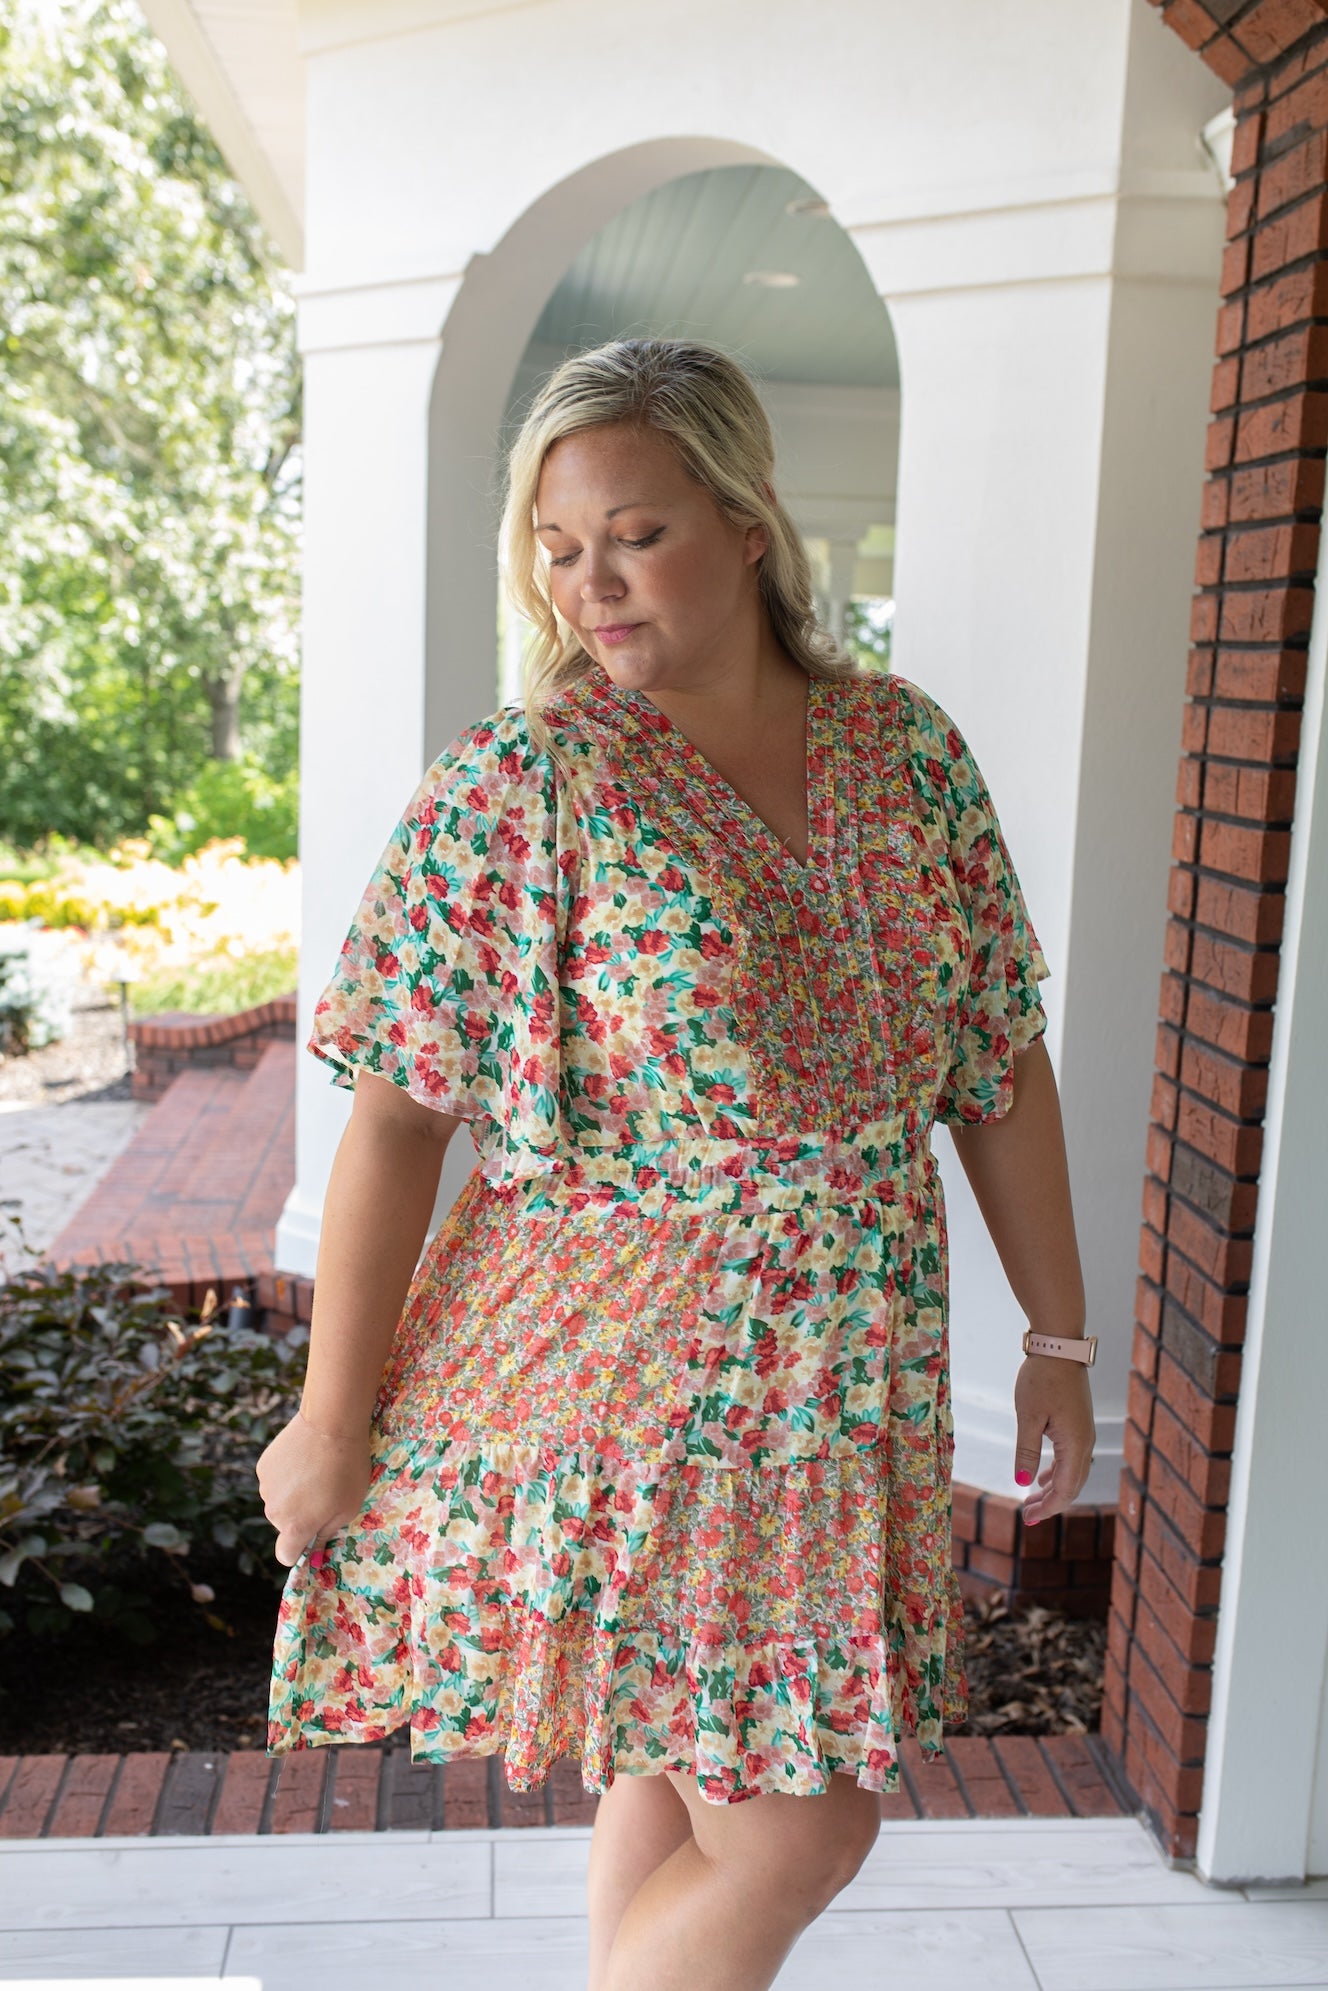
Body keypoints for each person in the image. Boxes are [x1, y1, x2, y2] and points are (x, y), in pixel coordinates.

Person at [258, 335, 1096, 1991]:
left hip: (846, 1368)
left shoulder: (905, 751)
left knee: (674, 1765)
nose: (589, 585)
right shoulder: (527, 783)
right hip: (629, 1375)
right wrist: (327, 1416)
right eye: (556, 551)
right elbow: (400, 1120)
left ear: (747, 521)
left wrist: (1057, 1336)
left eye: (632, 533)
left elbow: (994, 1060)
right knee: (801, 1829)